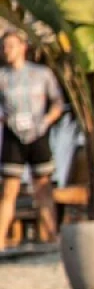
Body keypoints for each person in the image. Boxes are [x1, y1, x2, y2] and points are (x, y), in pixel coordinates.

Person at [0, 31, 64, 248]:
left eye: (11, 45)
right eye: (4, 46)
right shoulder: (2, 76)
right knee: (9, 188)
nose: (7, 50)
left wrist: (46, 121)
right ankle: (0, 239)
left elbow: (58, 102)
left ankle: (52, 236)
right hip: (13, 135)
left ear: (23, 47)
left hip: (38, 134)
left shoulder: (42, 74)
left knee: (43, 186)